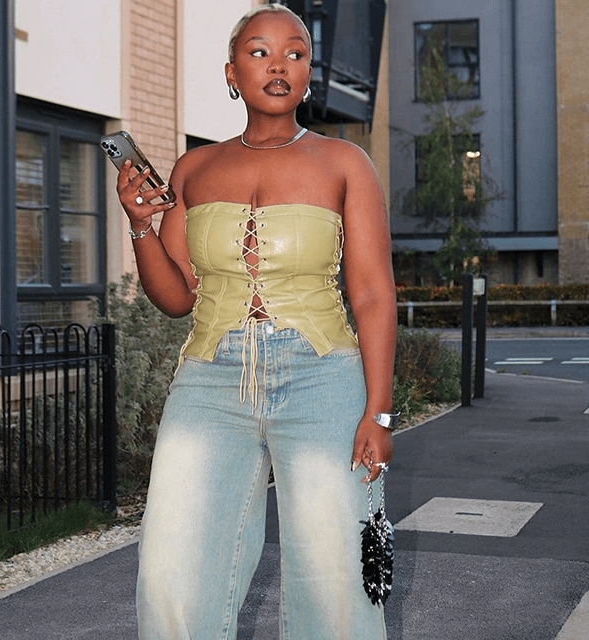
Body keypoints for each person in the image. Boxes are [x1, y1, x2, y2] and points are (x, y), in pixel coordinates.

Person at [116, 4, 397, 639]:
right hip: (210, 378)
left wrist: (378, 413)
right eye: (260, 52)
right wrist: (139, 224)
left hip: (322, 375)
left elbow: (375, 294)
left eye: (296, 53)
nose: (279, 65)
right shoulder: (194, 169)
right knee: (172, 568)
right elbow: (176, 297)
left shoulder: (346, 164)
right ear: (231, 73)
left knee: (335, 576)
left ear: (308, 74)